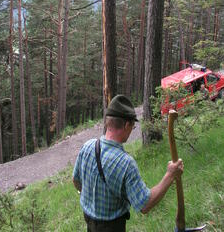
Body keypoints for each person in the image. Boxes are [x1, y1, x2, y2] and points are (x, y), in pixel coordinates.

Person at [72, 94, 184, 232]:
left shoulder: (87, 146)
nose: (132, 130)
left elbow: (76, 180)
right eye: (133, 126)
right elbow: (145, 204)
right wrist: (170, 175)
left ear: (108, 122)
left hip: (88, 220)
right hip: (112, 227)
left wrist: (90, 198)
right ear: (126, 125)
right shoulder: (125, 163)